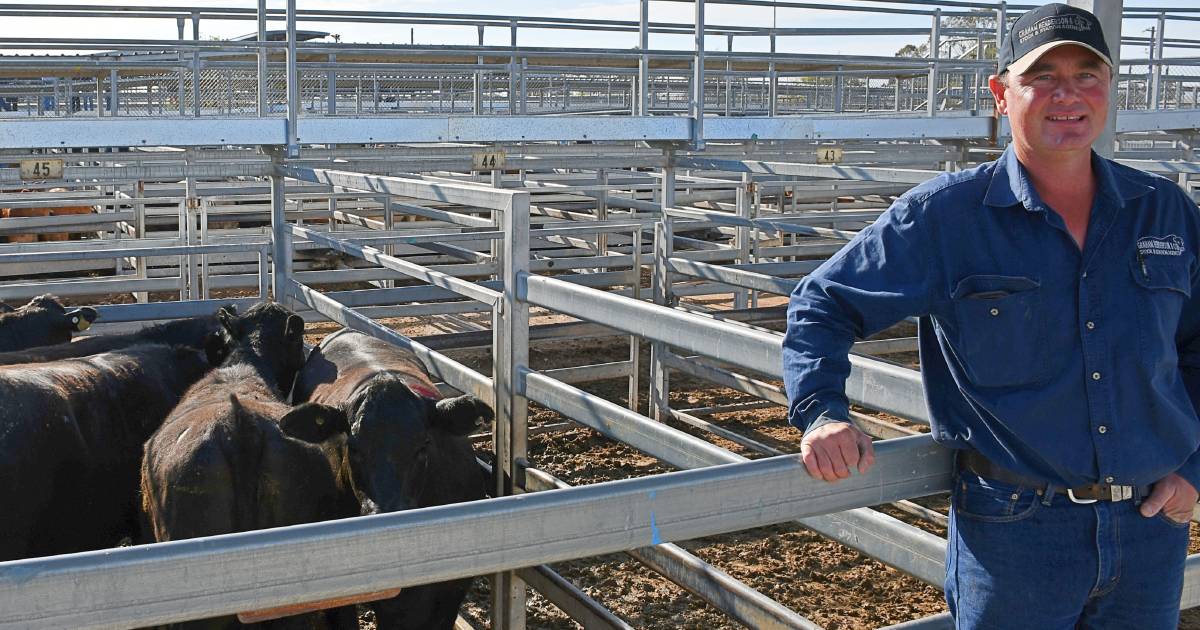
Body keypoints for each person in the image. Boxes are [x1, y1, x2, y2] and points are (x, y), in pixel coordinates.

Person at [782, 3, 1200, 628]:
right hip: (1015, 533)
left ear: (1109, 89)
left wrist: (1193, 469)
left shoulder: (1162, 210)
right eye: (1043, 77)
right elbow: (825, 302)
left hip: (1149, 527)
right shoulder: (947, 216)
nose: (1068, 94)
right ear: (1002, 94)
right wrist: (822, 412)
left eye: (1088, 75)